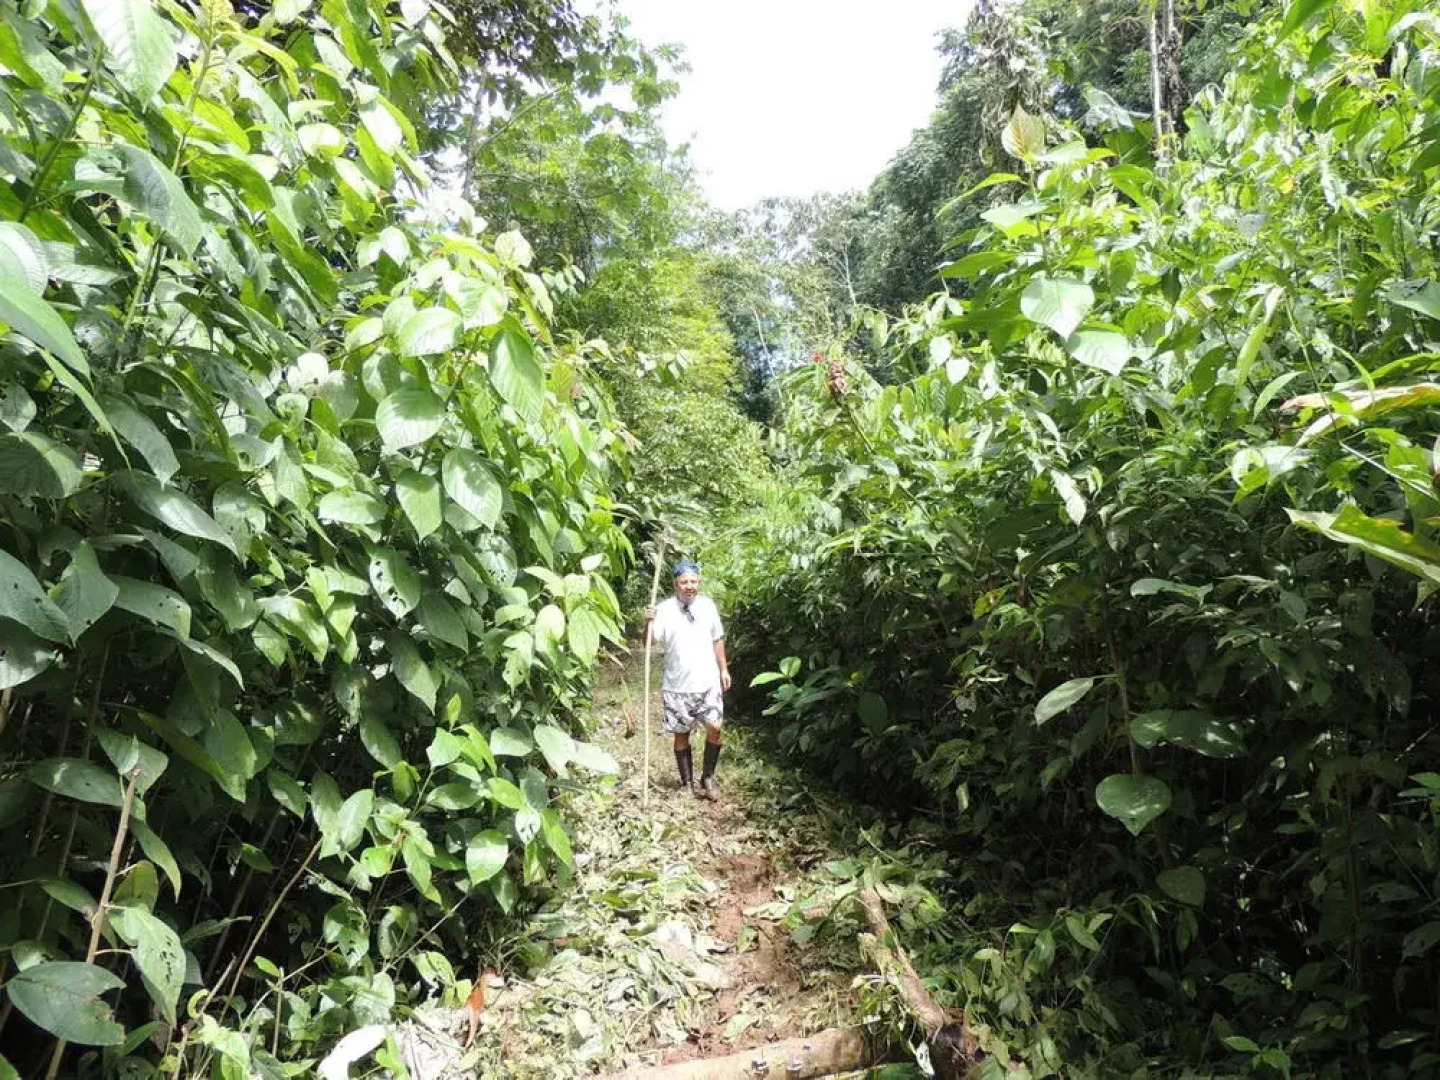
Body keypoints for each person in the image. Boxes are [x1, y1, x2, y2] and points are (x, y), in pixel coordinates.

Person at [644, 560, 731, 800]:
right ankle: (686, 784)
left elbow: (718, 639)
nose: (689, 586)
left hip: (708, 681)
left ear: (699, 583)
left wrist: (723, 669)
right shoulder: (664, 609)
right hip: (678, 685)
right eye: (684, 582)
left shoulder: (708, 606)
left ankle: (708, 777)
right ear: (675, 584)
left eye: (693, 581)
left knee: (715, 728)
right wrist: (647, 622)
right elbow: (650, 643)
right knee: (681, 734)